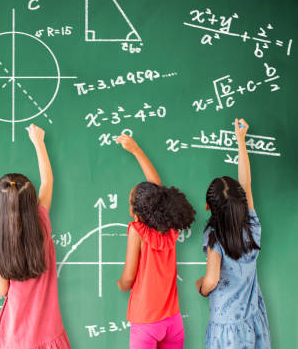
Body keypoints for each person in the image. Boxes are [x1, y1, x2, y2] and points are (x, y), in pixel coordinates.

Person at [0, 124, 71, 349]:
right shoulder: (41, 223)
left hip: (16, 338)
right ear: (31, 200)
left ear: (0, 207)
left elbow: (2, 290)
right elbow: (47, 182)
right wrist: (39, 142)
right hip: (49, 333)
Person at [116, 134, 196, 349]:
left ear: (137, 212)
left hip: (146, 323)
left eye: (130, 203)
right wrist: (135, 149)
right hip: (173, 321)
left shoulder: (137, 231)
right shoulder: (170, 228)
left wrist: (121, 284)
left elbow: (128, 278)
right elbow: (157, 190)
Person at [196, 118, 270, 348]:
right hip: (252, 317)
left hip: (226, 326)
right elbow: (245, 184)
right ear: (241, 203)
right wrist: (241, 140)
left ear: (208, 207)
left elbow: (212, 279)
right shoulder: (252, 225)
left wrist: (201, 286)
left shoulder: (214, 238)